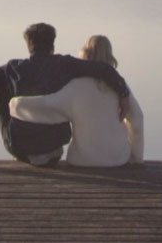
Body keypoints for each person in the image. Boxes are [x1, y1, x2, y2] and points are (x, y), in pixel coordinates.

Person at [0, 23, 132, 167]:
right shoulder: (65, 64)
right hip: (54, 146)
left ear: (29, 46)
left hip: (20, 147)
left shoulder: (13, 67)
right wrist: (123, 94)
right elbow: (105, 69)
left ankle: (18, 131)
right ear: (53, 45)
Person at [9, 35, 144, 167]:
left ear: (85, 54)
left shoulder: (75, 87)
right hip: (118, 159)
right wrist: (136, 157)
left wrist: (15, 104)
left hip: (82, 160)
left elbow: (47, 105)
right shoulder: (120, 88)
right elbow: (137, 119)